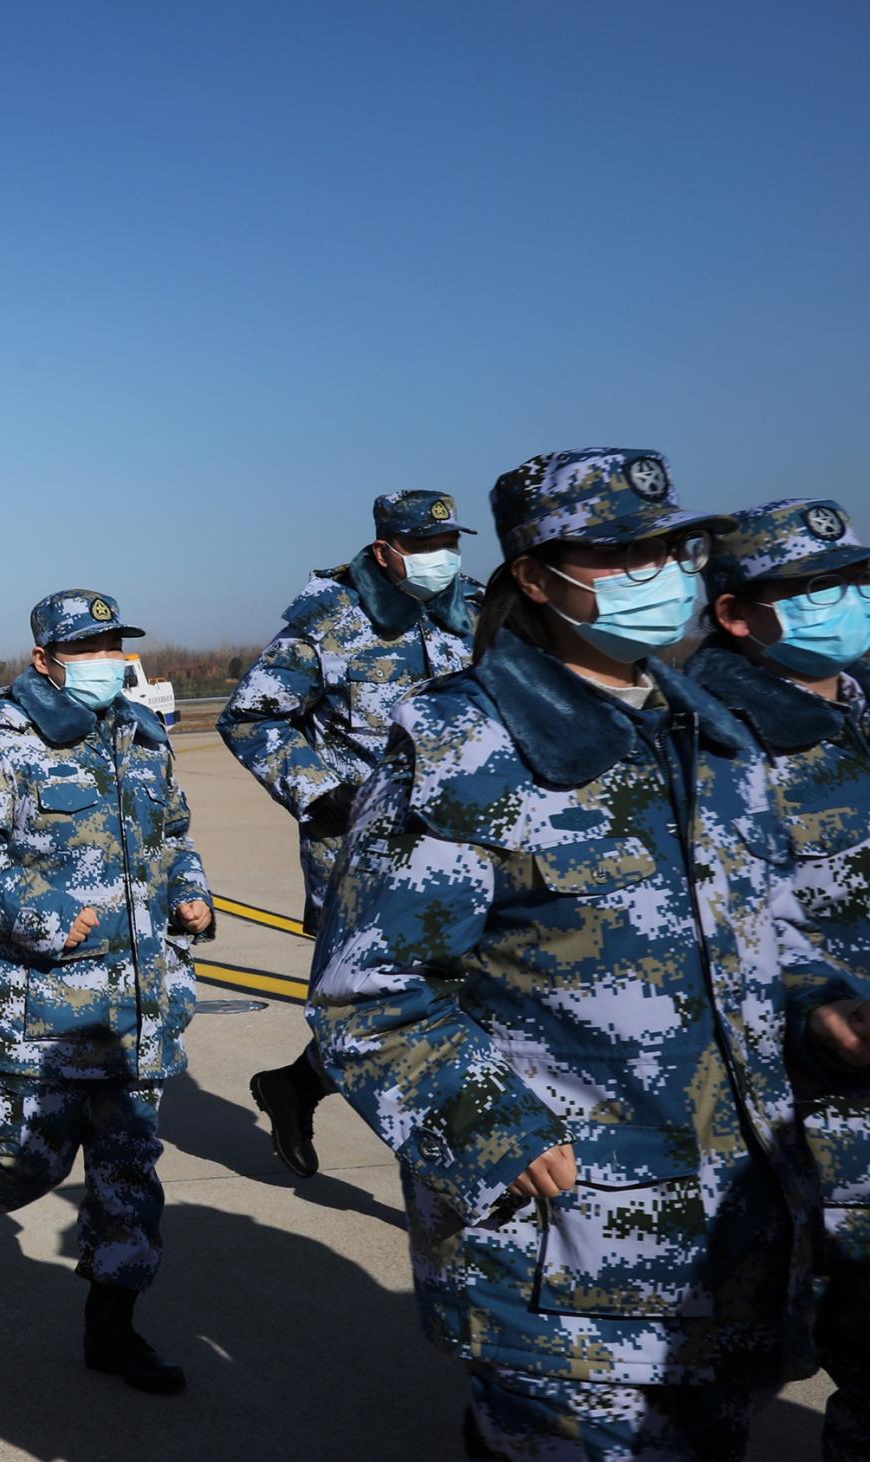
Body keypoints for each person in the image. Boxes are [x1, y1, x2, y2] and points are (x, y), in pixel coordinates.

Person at [309, 449, 870, 1460]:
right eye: (619, 553)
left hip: (728, 1238)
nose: (657, 571)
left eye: (663, 545)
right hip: (570, 1252)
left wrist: (824, 1002)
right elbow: (368, 991)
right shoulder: (461, 745)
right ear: (533, 576)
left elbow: (756, 920)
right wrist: (494, 1132)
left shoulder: (703, 725)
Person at [0, 588, 213, 1395]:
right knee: (25, 1160)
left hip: (136, 1007)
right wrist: (45, 915)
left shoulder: (143, 739)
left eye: (115, 644)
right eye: (89, 646)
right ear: (45, 659)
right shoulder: (6, 748)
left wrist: (191, 891)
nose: (108, 659)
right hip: (43, 1006)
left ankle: (113, 1330)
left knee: (130, 1174)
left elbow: (173, 835)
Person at [221, 489, 482, 1181]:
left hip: (478, 844)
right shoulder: (329, 620)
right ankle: (455, 1168)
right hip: (368, 852)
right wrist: (321, 792)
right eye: (423, 548)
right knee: (380, 1007)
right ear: (383, 551)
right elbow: (251, 717)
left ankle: (299, 1084)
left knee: (471, 996)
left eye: (449, 545)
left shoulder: (478, 613)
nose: (440, 560)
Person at [687, 497, 870, 1462]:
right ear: (734, 613)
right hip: (811, 1097)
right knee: (730, 1371)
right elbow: (709, 920)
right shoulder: (711, 735)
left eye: (853, 582)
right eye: (811, 590)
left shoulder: (857, 697)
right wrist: (813, 1003)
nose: (845, 603)